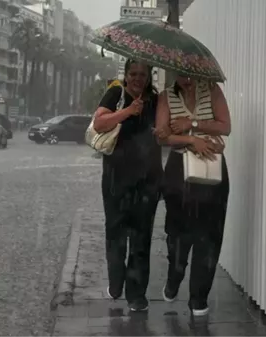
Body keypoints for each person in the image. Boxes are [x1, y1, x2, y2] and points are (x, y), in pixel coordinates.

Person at [153, 75, 231, 316]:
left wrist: (192, 123)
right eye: (180, 72)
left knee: (210, 234)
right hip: (179, 169)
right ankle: (174, 276)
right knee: (178, 231)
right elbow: (161, 135)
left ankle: (199, 297)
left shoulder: (212, 90)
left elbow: (225, 126)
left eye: (189, 73)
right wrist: (191, 140)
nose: (185, 78)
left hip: (212, 166)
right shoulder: (167, 96)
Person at [92, 59, 163, 312]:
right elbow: (99, 124)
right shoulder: (115, 93)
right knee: (116, 234)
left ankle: (137, 295)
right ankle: (116, 279)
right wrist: (128, 111)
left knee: (141, 238)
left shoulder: (156, 99)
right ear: (126, 74)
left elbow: (163, 131)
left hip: (148, 181)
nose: (137, 79)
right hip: (115, 180)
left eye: (142, 74)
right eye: (133, 73)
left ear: (149, 76)